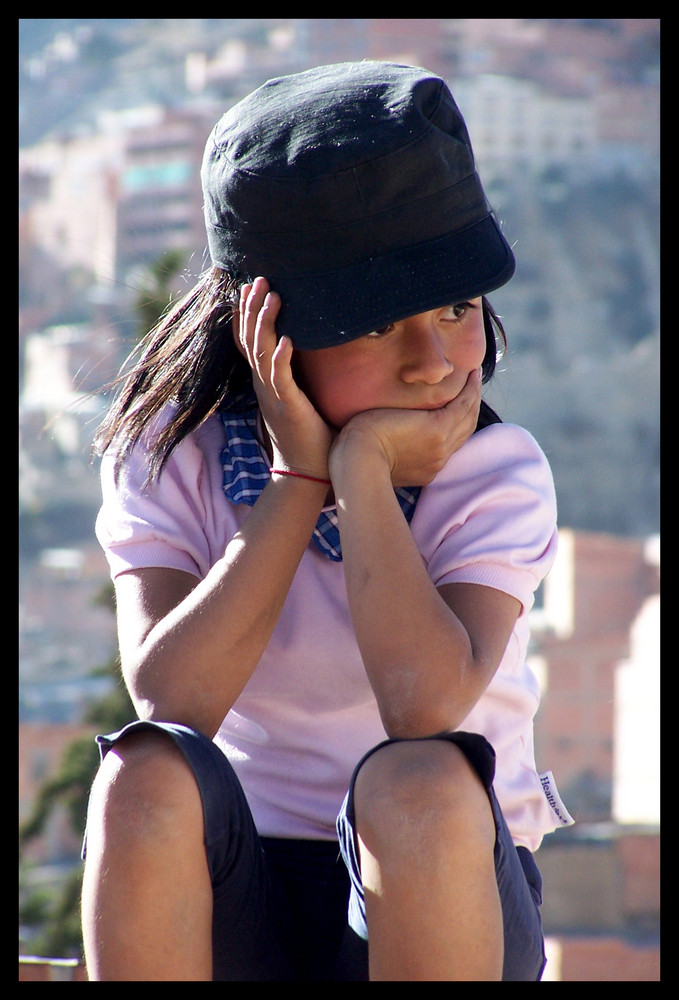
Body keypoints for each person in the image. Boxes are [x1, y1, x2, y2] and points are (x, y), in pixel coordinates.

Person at [80, 61, 572, 982]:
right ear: (264, 330)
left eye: (455, 308)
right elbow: (172, 699)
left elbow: (422, 706)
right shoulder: (167, 453)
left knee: (416, 777)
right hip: (239, 887)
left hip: (440, 885)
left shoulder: (494, 470)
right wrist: (298, 477)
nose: (431, 363)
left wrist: (364, 475)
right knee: (144, 772)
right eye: (377, 326)